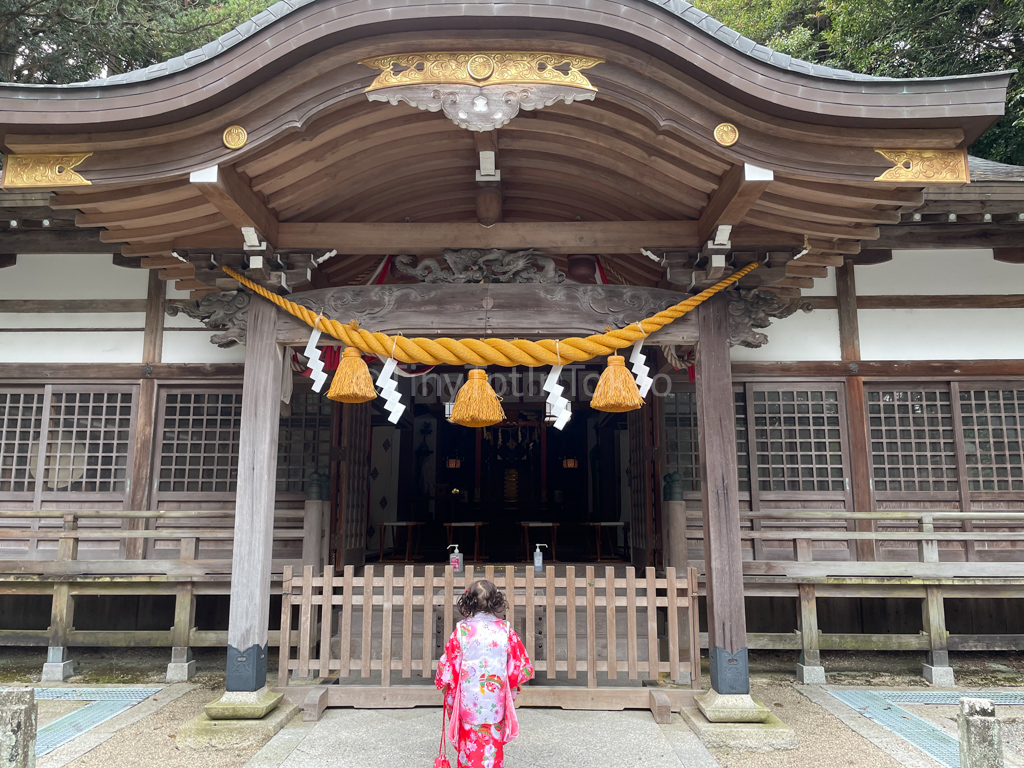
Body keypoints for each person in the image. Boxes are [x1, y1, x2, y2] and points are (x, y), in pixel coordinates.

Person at [435, 579, 534, 768]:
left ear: (469, 602)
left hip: (469, 701)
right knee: (491, 746)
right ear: (495, 602)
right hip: (494, 701)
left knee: (469, 747)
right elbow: (518, 666)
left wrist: (445, 684)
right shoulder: (505, 631)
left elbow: (448, 666)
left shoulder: (462, 631)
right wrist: (514, 682)